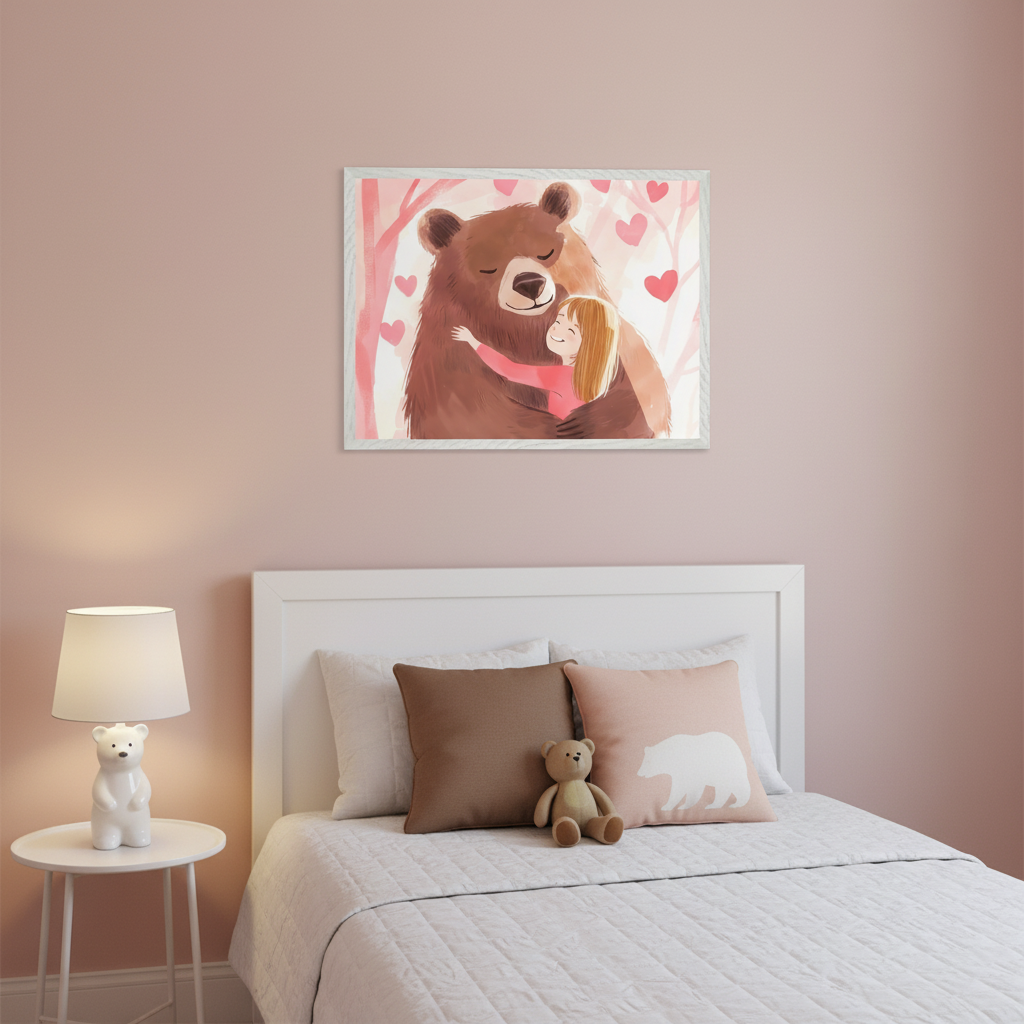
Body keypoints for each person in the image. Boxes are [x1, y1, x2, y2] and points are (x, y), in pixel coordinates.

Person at [453, 295, 619, 420]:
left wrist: (473, 341)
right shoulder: (595, 380)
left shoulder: (564, 376)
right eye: (559, 321)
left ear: (592, 344)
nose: (556, 330)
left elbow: (508, 370)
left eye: (571, 331)